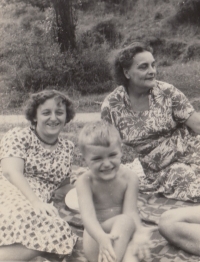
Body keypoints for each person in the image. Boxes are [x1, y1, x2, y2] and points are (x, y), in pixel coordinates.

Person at [101, 42, 200, 202]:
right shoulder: (112, 105)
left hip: (191, 149)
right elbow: (106, 146)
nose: (152, 71)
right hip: (162, 167)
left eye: (153, 65)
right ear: (126, 72)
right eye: (143, 67)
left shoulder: (167, 92)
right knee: (185, 178)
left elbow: (197, 125)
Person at [0, 90, 78, 261]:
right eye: (46, 112)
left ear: (66, 117)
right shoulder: (19, 135)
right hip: (11, 191)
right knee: (45, 227)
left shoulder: (67, 147)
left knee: (56, 231)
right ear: (34, 116)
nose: (53, 118)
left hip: (39, 201)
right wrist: (35, 202)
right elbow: (10, 172)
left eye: (59, 112)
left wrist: (87, 186)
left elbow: (63, 185)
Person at [76, 121, 157, 262]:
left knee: (134, 254)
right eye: (97, 158)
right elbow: (87, 217)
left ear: (121, 152)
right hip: (96, 237)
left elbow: (130, 211)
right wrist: (102, 238)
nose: (107, 163)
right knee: (125, 220)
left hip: (123, 235)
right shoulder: (84, 181)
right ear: (84, 160)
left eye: (112, 155)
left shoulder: (130, 177)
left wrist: (138, 233)